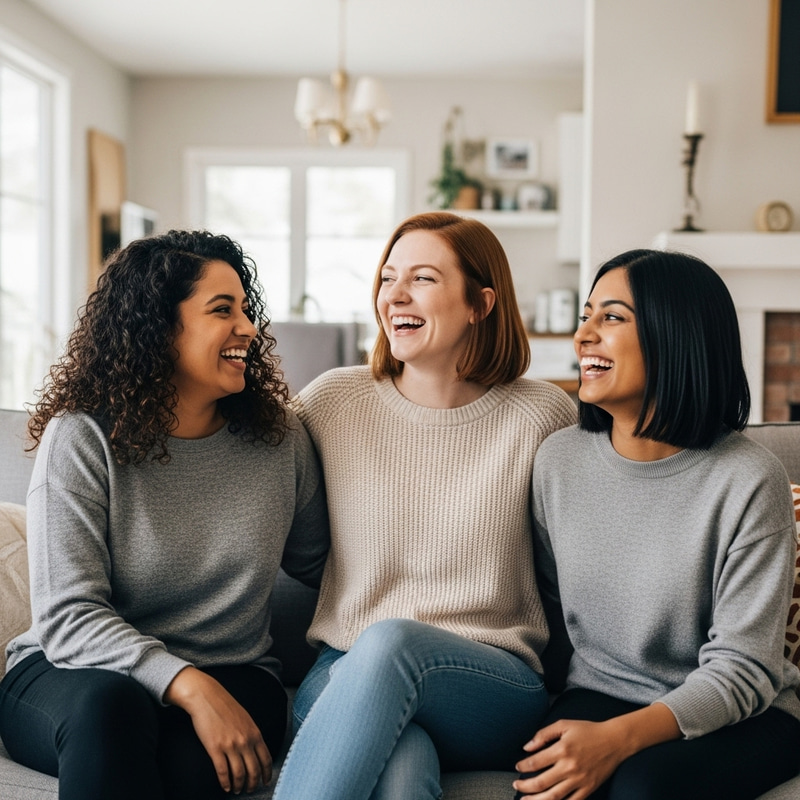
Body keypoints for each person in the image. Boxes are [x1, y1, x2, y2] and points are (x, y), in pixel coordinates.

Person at [0, 230, 329, 800]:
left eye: (245, 310)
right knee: (113, 707)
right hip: (73, 674)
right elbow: (67, 615)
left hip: (236, 677)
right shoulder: (82, 437)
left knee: (176, 766)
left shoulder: (281, 440)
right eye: (221, 310)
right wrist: (187, 684)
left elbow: (327, 567)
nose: (248, 329)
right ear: (155, 327)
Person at [271, 211, 578, 800]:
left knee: (391, 642)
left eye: (424, 279)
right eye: (388, 278)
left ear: (480, 304)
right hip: (340, 673)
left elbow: (569, 569)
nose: (396, 295)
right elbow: (282, 521)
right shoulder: (333, 402)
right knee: (402, 768)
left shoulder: (542, 416)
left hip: (490, 683)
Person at [514, 249, 800, 800]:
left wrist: (619, 740)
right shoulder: (558, 461)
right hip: (603, 690)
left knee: (644, 789)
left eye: (612, 317)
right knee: (544, 782)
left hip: (741, 710)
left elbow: (745, 668)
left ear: (677, 337)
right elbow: (548, 606)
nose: (583, 337)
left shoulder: (749, 479)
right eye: (586, 316)